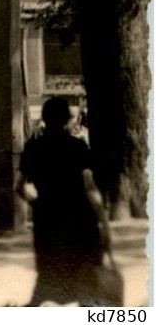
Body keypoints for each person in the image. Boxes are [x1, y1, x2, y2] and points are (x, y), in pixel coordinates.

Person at [18, 96, 115, 306]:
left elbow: (19, 187)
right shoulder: (77, 147)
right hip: (79, 219)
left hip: (47, 220)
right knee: (85, 280)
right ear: (67, 119)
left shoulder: (33, 148)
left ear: (44, 118)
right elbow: (89, 187)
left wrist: (36, 202)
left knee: (48, 277)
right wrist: (104, 225)